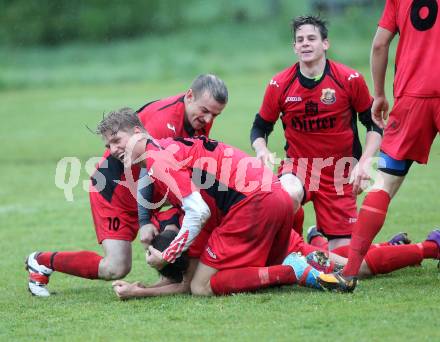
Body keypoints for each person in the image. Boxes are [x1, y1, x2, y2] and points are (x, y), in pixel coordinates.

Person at [26, 74, 228, 297]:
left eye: (215, 115)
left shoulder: (196, 116)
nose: (208, 120)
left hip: (148, 191)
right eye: (205, 111)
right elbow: (147, 171)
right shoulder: (165, 122)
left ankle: (172, 279)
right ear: (189, 96)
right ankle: (41, 261)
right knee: (115, 267)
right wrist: (145, 220)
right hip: (114, 191)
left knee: (190, 214)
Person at [98, 108, 326, 297]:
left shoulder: (158, 159)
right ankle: (320, 261)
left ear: (137, 132)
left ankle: (292, 271)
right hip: (272, 193)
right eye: (108, 146)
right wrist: (145, 220)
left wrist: (167, 255)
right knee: (243, 269)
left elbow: (198, 212)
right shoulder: (164, 146)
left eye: (117, 140)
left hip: (254, 203)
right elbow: (151, 175)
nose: (113, 150)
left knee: (202, 287)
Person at [318, 0, 440, 292]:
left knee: (383, 183)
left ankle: (348, 273)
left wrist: (380, 94)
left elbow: (379, 45)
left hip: (412, 97)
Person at [250, 15, 383, 251]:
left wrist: (364, 163)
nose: (305, 43)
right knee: (285, 196)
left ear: (325, 44)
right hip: (299, 168)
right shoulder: (279, 84)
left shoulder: (349, 79)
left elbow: (374, 124)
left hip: (339, 174)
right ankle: (293, 251)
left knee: (344, 258)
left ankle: (316, 240)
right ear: (294, 47)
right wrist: (261, 149)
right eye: (300, 40)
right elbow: (260, 127)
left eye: (311, 38)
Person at [112, 226, 440, 299]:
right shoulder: (185, 240)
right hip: (275, 247)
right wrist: (144, 285)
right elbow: (182, 281)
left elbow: (185, 284)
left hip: (284, 248)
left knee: (357, 268)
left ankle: (431, 246)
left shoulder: (194, 248)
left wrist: (141, 292)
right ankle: (390, 246)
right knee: (347, 261)